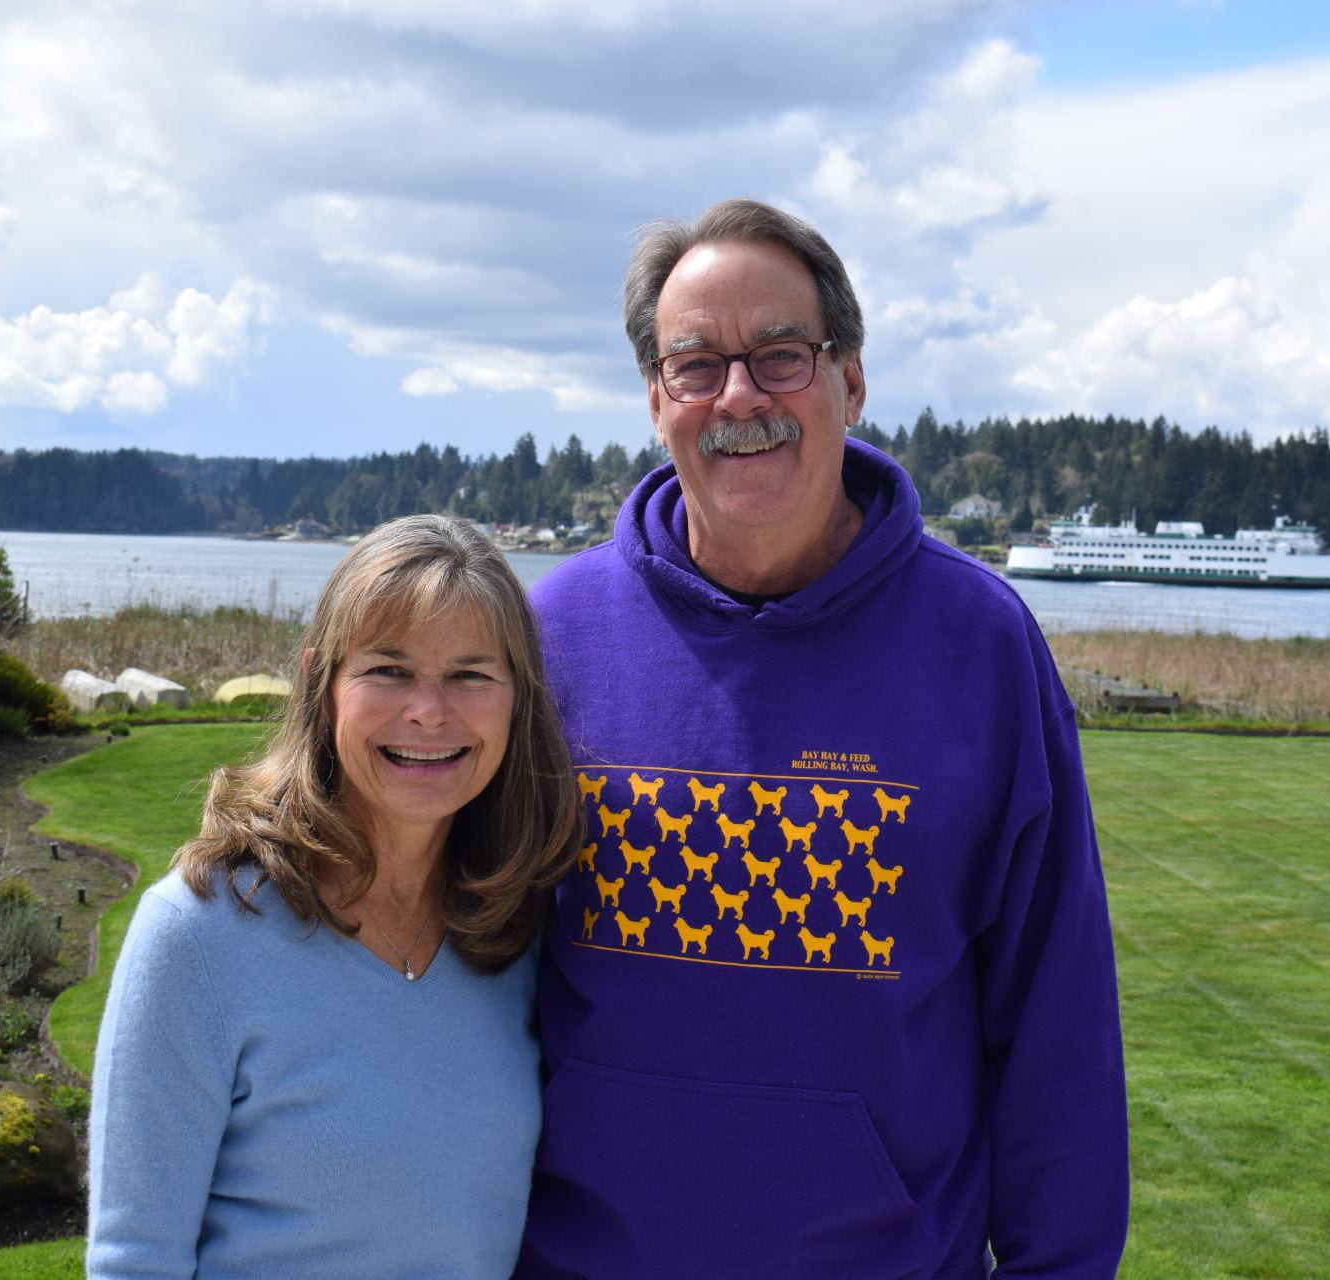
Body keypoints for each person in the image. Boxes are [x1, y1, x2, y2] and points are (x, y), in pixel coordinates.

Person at [518, 199, 1130, 1278]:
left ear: (850, 379)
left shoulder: (980, 644)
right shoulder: (551, 637)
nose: (739, 396)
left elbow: (1057, 1020)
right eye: (697, 363)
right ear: (656, 397)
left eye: (780, 356)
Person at [87, 515, 581, 1279]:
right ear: (324, 685)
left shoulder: (514, 930)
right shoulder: (198, 934)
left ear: (518, 701)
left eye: (470, 674)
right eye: (388, 669)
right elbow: (133, 1260)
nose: (428, 711)